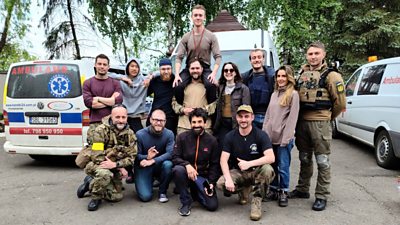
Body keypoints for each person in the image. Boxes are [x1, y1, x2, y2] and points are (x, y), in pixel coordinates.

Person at [290, 41, 346, 211]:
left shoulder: (332, 76)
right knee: (304, 158)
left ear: (324, 55)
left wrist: (327, 117)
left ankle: (321, 195)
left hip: (320, 122)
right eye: (310, 54)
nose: (313, 57)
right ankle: (302, 189)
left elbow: (340, 103)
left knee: (322, 160)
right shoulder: (301, 74)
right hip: (302, 122)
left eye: (316, 53)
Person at [216, 105, 275, 221]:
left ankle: (256, 202)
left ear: (252, 117)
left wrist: (250, 163)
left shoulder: (261, 135)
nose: (243, 120)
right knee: (221, 183)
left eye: (246, 116)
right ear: (236, 118)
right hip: (239, 172)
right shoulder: (230, 136)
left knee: (268, 169)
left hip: (256, 171)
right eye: (240, 116)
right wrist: (228, 179)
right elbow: (223, 160)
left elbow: (271, 157)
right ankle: (244, 189)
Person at [77, 104, 137, 211]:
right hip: (96, 164)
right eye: (117, 117)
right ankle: (96, 198)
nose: (121, 120)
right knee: (104, 174)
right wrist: (118, 168)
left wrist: (116, 165)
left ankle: (89, 183)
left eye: (123, 117)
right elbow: (97, 156)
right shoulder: (100, 130)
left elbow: (132, 157)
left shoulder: (130, 134)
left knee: (116, 197)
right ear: (111, 117)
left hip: (113, 165)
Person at [262, 65, 299, 207]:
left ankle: (283, 191)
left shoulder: (293, 95)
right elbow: (268, 116)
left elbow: (292, 119)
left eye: (284, 76)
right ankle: (274, 189)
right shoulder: (274, 94)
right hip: (271, 137)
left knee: (283, 166)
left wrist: (287, 138)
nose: (281, 79)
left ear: (289, 77)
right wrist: (265, 133)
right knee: (273, 165)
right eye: (278, 76)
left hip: (284, 138)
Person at [172, 108, 220, 216]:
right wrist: (187, 165)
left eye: (199, 122)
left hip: (202, 177)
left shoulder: (212, 141)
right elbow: (175, 157)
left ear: (205, 122)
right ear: (190, 123)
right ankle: (185, 201)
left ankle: (196, 192)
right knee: (177, 170)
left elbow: (214, 164)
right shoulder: (182, 137)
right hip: (186, 174)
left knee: (212, 206)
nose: (196, 125)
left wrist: (211, 183)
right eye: (194, 122)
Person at [173, 4, 220, 108]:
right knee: (178, 85)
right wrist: (176, 74)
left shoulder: (211, 36)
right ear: (192, 17)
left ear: (204, 17)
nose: (198, 17)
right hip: (190, 67)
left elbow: (218, 56)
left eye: (200, 15)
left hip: (205, 67)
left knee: (210, 85)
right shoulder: (186, 37)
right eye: (195, 15)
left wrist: (213, 74)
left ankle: (211, 111)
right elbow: (179, 57)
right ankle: (182, 109)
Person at [134, 109, 175, 202]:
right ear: (150, 120)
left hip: (158, 165)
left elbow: (170, 153)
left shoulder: (169, 134)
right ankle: (148, 181)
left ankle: (162, 191)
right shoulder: (140, 134)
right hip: (143, 166)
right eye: (156, 120)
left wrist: (153, 160)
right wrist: (147, 157)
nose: (159, 123)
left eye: (162, 120)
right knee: (145, 197)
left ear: (165, 122)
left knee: (168, 164)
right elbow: (135, 156)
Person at [82, 54, 123, 143]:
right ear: (95, 65)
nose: (102, 66)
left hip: (112, 125)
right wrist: (111, 100)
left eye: (104, 64)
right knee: (97, 152)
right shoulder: (88, 83)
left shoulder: (115, 83)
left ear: (108, 67)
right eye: (99, 64)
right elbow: (90, 103)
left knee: (112, 153)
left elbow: (118, 102)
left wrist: (98, 98)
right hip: (95, 126)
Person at [172, 59, 217, 135]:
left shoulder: (210, 86)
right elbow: (174, 102)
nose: (195, 70)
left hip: (204, 127)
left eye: (197, 68)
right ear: (188, 70)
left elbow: (216, 103)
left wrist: (204, 110)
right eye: (192, 68)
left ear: (202, 69)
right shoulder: (181, 86)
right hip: (184, 126)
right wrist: (183, 110)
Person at [214, 62, 250, 151]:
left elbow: (246, 109)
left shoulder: (243, 88)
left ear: (235, 73)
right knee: (223, 149)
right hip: (222, 124)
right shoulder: (220, 87)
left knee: (236, 149)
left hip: (236, 124)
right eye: (226, 70)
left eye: (231, 70)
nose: (228, 72)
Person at [241, 49, 275, 129]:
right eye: (254, 58)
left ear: (263, 59)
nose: (257, 60)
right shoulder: (245, 78)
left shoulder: (272, 77)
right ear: (250, 61)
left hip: (268, 117)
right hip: (251, 118)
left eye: (259, 57)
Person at [147, 58, 177, 134]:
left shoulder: (176, 80)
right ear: (159, 70)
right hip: (155, 116)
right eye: (163, 69)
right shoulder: (154, 81)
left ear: (171, 69)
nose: (166, 71)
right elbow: (143, 94)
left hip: (170, 118)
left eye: (168, 69)